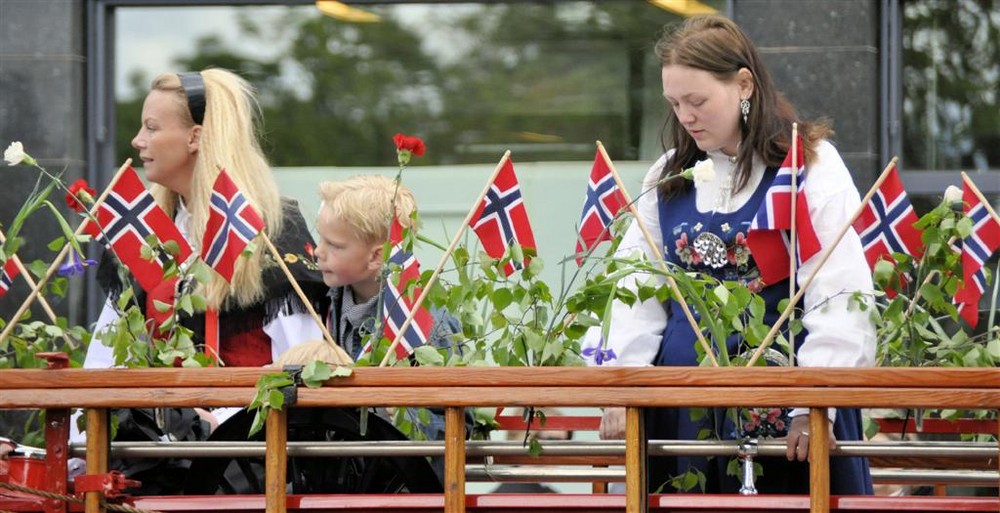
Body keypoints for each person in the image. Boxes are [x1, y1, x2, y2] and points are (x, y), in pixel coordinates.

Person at [584, 15, 875, 494]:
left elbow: (839, 291)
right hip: (681, 409)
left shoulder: (809, 166)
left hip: (786, 409)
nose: (685, 116)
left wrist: (815, 404)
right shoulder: (667, 174)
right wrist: (621, 384)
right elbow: (635, 286)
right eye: (674, 103)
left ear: (744, 84)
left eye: (697, 101)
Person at [76, 68, 327, 493]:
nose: (137, 141)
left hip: (247, 473)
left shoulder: (271, 230)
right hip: (149, 466)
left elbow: (301, 371)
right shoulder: (144, 236)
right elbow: (101, 365)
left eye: (152, 128)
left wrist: (217, 419)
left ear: (195, 138)